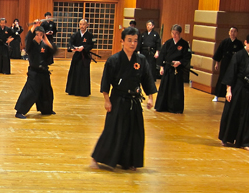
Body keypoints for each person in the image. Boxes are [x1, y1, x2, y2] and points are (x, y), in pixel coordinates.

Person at [90, 27, 157, 171]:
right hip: (118, 99)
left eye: (135, 41)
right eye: (129, 40)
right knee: (112, 129)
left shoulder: (141, 60)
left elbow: (147, 79)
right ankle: (97, 157)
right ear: (122, 41)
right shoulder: (114, 60)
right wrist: (107, 100)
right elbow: (106, 81)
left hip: (134, 99)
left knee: (134, 131)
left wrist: (151, 98)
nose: (133, 44)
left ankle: (129, 161)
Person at [218, 33, 249, 151]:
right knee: (232, 112)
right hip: (238, 87)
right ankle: (227, 138)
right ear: (245, 42)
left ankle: (245, 141)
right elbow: (231, 73)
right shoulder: (239, 55)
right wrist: (228, 90)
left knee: (248, 115)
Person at [14, 21, 57, 119]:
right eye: (37, 34)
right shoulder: (31, 45)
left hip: (44, 72)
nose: (39, 36)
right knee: (30, 92)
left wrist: (46, 39)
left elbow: (53, 51)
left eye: (41, 35)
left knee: (47, 92)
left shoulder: (44, 45)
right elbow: (28, 38)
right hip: (34, 72)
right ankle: (20, 111)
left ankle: (46, 110)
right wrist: (34, 27)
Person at [154, 24, 192, 114]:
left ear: (180, 33)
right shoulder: (168, 43)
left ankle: (175, 108)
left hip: (177, 70)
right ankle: (162, 106)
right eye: (173, 33)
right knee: (164, 87)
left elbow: (187, 56)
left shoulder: (184, 44)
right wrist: (161, 67)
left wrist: (180, 62)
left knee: (176, 89)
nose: (174, 35)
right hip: (167, 68)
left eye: (176, 33)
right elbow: (162, 55)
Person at [212, 27, 243, 101]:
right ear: (229, 32)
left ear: (237, 33)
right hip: (225, 62)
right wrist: (217, 63)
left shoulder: (239, 44)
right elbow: (219, 53)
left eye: (235, 31)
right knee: (222, 78)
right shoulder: (224, 42)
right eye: (231, 31)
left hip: (234, 64)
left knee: (233, 78)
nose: (233, 33)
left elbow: (242, 55)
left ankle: (231, 95)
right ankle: (217, 95)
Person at [65, 19, 95, 97]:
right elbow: (70, 43)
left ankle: (83, 91)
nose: (82, 26)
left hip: (85, 56)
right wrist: (72, 48)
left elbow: (92, 45)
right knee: (74, 72)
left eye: (83, 24)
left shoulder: (90, 35)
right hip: (76, 56)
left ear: (87, 25)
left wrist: (83, 47)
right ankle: (72, 90)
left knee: (84, 73)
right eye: (80, 24)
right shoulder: (75, 35)